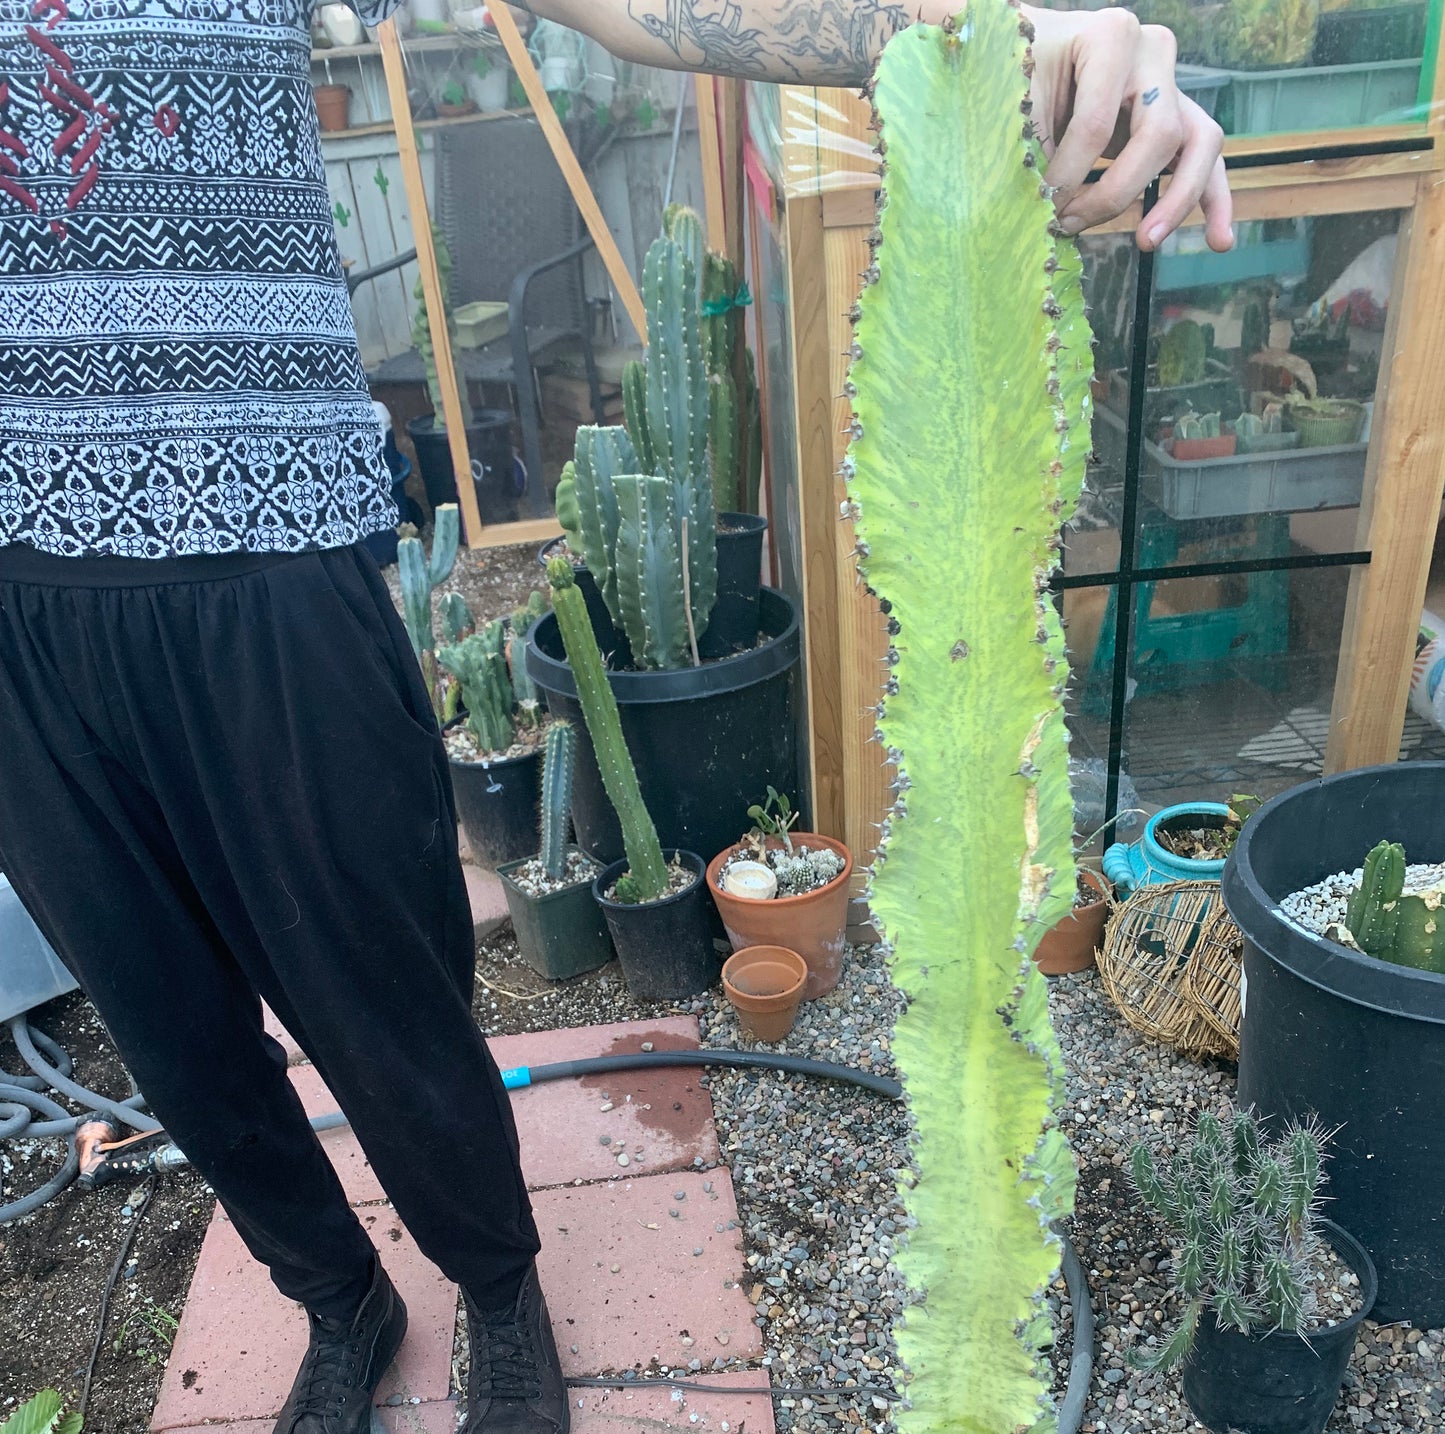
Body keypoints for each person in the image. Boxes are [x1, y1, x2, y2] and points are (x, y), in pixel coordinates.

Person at [0, 3, 1231, 1433]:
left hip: (267, 538)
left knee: (379, 997)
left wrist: (997, 34)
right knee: (171, 1038)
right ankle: (340, 1299)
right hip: (13, 594)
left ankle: (496, 1280)